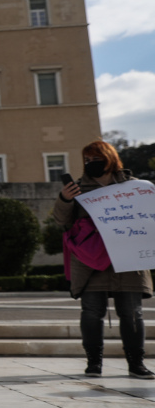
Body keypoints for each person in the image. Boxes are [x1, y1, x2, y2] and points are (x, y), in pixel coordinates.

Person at [54, 139, 154, 379]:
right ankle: (93, 362)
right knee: (91, 311)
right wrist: (65, 199)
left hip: (128, 258)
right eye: (87, 160)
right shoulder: (78, 189)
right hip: (91, 260)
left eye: (96, 159)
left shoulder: (135, 187)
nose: (91, 164)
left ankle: (136, 363)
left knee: (132, 312)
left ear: (110, 159)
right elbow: (61, 222)